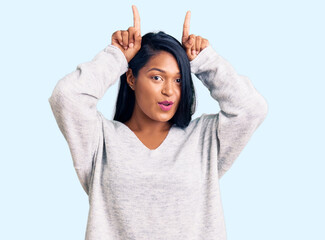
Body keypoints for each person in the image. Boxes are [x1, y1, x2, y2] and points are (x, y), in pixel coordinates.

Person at [48, 5, 268, 239]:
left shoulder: (204, 139)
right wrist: (117, 57)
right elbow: (66, 97)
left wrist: (206, 62)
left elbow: (251, 108)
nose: (169, 91)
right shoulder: (100, 141)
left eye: (178, 80)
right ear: (131, 78)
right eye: (157, 77)